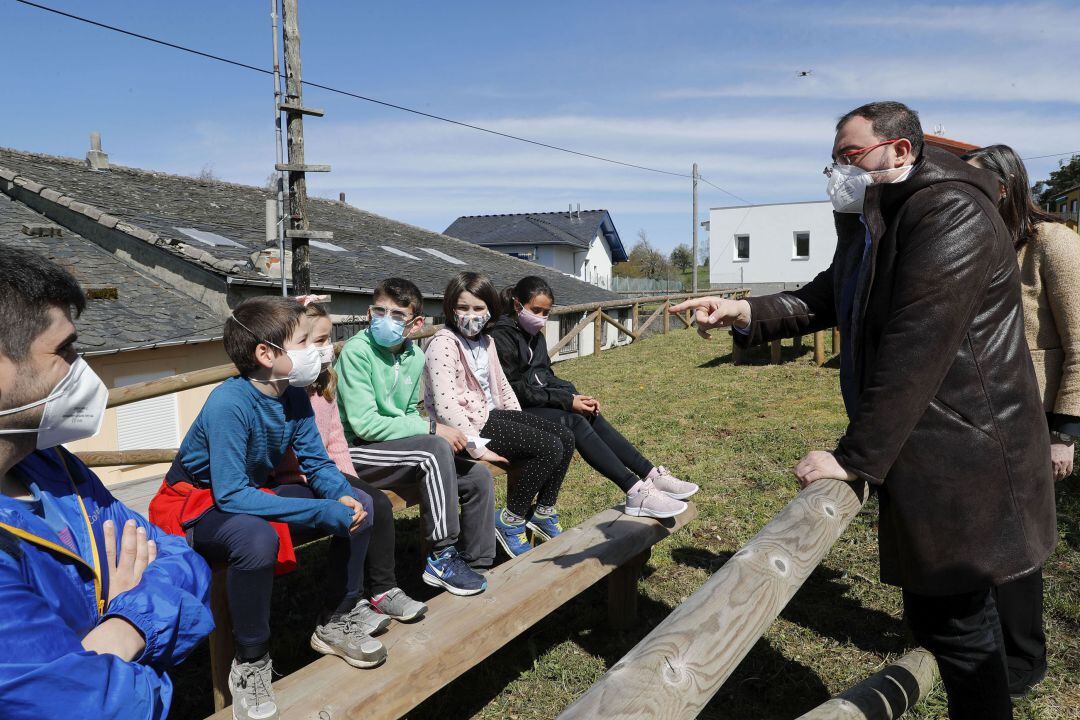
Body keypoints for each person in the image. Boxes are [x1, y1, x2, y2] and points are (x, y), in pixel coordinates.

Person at [671, 101, 1056, 720]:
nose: (838, 172)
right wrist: (746, 311)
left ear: (901, 151)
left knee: (956, 625)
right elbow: (829, 295)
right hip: (935, 447)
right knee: (951, 618)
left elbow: (915, 348)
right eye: (833, 161)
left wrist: (855, 459)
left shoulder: (949, 211)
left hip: (969, 451)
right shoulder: (879, 216)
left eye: (850, 157)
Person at [0, 246, 214, 719]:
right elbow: (103, 707)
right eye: (65, 350)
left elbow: (179, 559)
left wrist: (122, 627)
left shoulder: (54, 467)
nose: (83, 369)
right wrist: (136, 640)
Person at [149, 295, 382, 720]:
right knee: (255, 539)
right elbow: (232, 496)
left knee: (361, 503)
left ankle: (336, 618)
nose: (314, 350)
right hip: (196, 504)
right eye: (300, 342)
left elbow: (316, 462)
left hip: (249, 491)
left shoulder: (292, 394)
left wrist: (338, 495)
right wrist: (318, 512)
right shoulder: (229, 403)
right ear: (265, 354)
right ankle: (251, 661)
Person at [962, 143, 1080, 697]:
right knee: (984, 532)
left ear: (1006, 187)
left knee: (1018, 541)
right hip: (981, 418)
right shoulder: (978, 244)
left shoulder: (1053, 242)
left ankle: (1023, 660)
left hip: (1035, 418)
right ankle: (984, 643)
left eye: (978, 184)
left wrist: (1066, 432)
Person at [272, 296, 427, 623]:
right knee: (354, 507)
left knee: (375, 503)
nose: (328, 347)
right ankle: (346, 602)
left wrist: (350, 479)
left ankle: (383, 589)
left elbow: (336, 439)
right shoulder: (289, 391)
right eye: (318, 341)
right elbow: (291, 454)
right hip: (295, 479)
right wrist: (340, 487)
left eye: (329, 339)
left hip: (325, 471)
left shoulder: (325, 382)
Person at [335, 278, 493, 596]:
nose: (385, 320)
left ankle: (477, 562)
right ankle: (442, 556)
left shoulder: (415, 358)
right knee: (433, 449)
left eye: (397, 316)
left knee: (476, 475)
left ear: (416, 323)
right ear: (369, 313)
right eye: (380, 312)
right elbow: (365, 425)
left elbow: (407, 413)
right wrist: (431, 429)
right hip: (353, 452)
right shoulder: (356, 352)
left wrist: (429, 431)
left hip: (394, 450)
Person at [491, 276, 696, 518]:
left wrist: (575, 395)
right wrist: (567, 402)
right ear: (518, 305)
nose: (541, 318)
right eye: (536, 310)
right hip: (512, 410)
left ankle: (651, 475)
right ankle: (634, 490)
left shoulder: (535, 335)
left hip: (536, 403)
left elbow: (545, 375)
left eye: (546, 312)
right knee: (574, 421)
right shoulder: (500, 336)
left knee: (589, 413)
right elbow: (517, 390)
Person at [424, 272, 577, 558]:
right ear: (450, 308)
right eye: (463, 307)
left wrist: (522, 421)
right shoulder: (443, 344)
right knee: (549, 448)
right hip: (468, 428)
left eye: (479, 308)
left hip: (491, 416)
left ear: (490, 310)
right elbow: (446, 409)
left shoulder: (486, 342)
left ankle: (543, 511)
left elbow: (503, 388)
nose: (472, 315)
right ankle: (510, 520)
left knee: (566, 437)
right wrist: (476, 448)